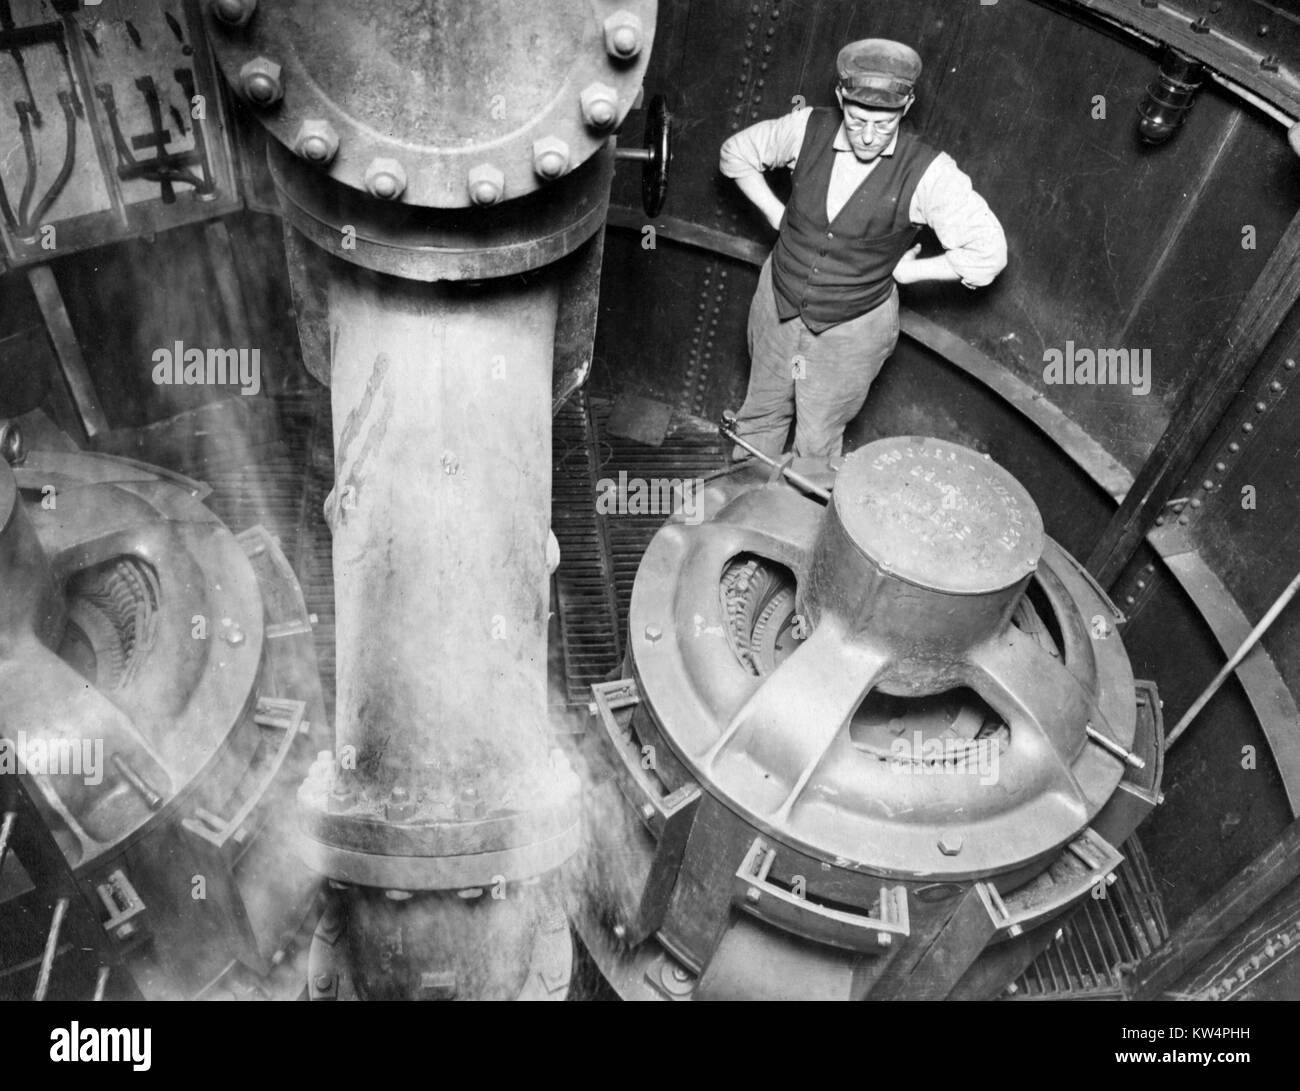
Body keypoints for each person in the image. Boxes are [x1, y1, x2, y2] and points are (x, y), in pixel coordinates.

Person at [720, 38, 1008, 460]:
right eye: (856, 121)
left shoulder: (930, 173)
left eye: (883, 124)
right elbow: (735, 152)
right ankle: (741, 505)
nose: (868, 137)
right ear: (840, 97)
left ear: (906, 107)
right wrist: (774, 213)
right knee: (759, 414)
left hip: (851, 328)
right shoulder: (805, 128)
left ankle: (800, 515)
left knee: (817, 440)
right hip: (778, 301)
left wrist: (913, 272)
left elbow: (989, 254)